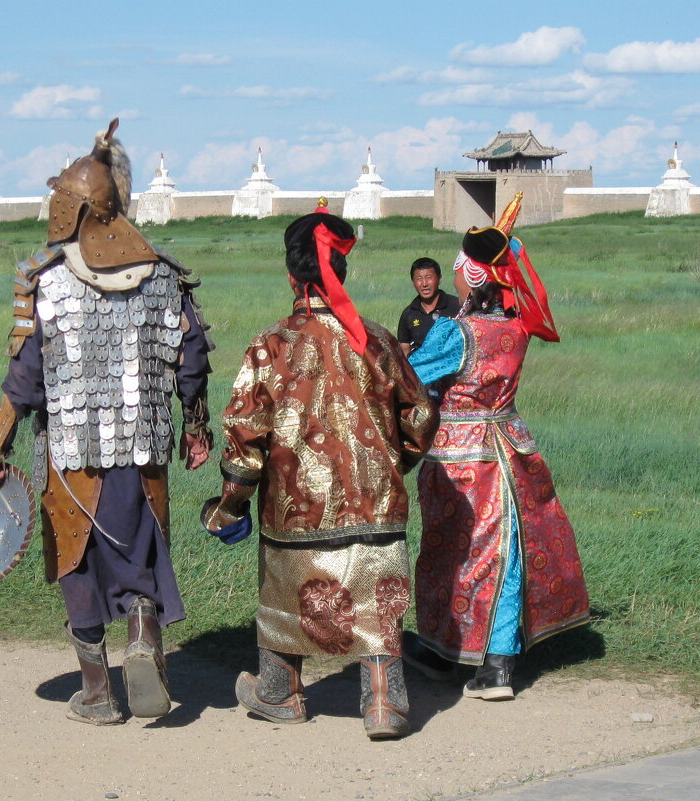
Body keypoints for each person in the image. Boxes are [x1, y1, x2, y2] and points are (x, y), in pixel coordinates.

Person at [0, 118, 214, 725]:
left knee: (76, 559)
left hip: (71, 452)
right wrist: (195, 425)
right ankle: (141, 631)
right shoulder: (164, 276)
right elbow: (192, 358)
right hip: (143, 447)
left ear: (73, 209)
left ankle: (99, 694)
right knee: (140, 549)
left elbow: (24, 380)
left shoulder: (44, 281)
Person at [201, 200, 437, 739]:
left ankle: (279, 692)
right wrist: (392, 465)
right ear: (342, 270)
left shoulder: (269, 346)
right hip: (377, 512)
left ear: (291, 272)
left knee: (285, 601)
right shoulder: (377, 340)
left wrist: (229, 503)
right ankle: (384, 704)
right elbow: (420, 415)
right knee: (379, 612)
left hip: (293, 515)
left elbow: (245, 436)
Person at [404, 192, 589, 701]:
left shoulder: (453, 332)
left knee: (452, 552)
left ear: (469, 275)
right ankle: (494, 658)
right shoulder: (516, 328)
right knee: (505, 552)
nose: (455, 277)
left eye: (459, 270)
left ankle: (468, 654)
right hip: (511, 445)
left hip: (462, 455)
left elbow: (409, 379)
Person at [396, 257, 460, 355]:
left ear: (439, 279)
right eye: (419, 279)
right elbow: (404, 350)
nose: (424, 284)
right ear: (413, 282)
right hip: (420, 368)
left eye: (429, 277)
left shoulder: (456, 306)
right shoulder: (409, 313)